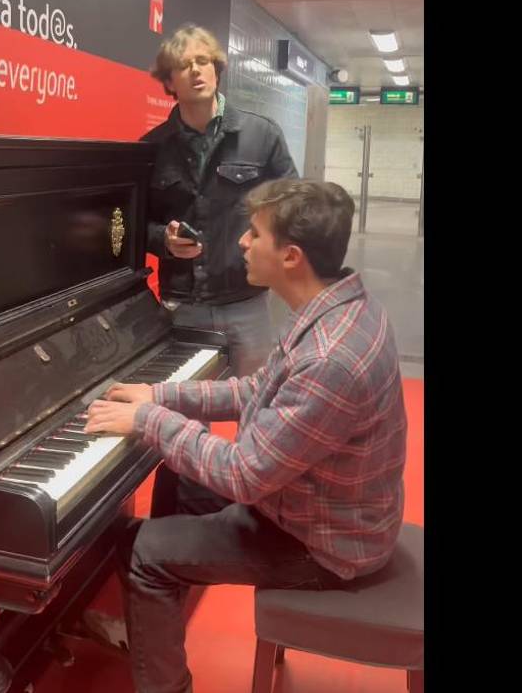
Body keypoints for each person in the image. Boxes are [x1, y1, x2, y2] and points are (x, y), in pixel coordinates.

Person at [84, 179, 408, 693]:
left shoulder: (330, 359)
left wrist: (149, 422)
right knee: (163, 520)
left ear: (291, 257)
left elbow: (244, 475)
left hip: (325, 544)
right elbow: (256, 388)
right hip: (322, 509)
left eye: (254, 234)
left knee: (144, 550)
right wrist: (161, 395)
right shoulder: (336, 308)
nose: (241, 242)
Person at [141, 23, 298, 518]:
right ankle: (193, 517)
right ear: (169, 82)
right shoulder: (152, 148)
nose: (196, 71)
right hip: (183, 307)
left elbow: (294, 207)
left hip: (246, 303)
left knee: (260, 411)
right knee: (187, 420)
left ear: (217, 69)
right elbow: (127, 225)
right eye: (184, 66)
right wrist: (160, 241)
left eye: (204, 62)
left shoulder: (260, 135)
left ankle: (260, 510)